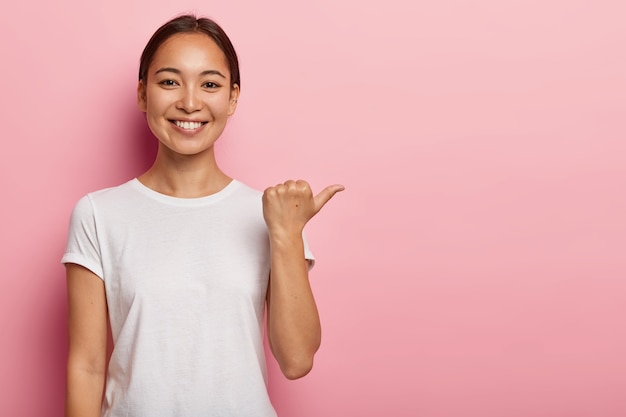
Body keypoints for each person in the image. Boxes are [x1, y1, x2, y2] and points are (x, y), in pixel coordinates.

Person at [62, 14, 343, 417]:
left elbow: (297, 361)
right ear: (143, 94)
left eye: (209, 84)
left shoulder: (270, 213)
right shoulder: (97, 214)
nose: (190, 102)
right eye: (169, 81)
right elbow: (86, 366)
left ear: (232, 97)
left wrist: (286, 233)